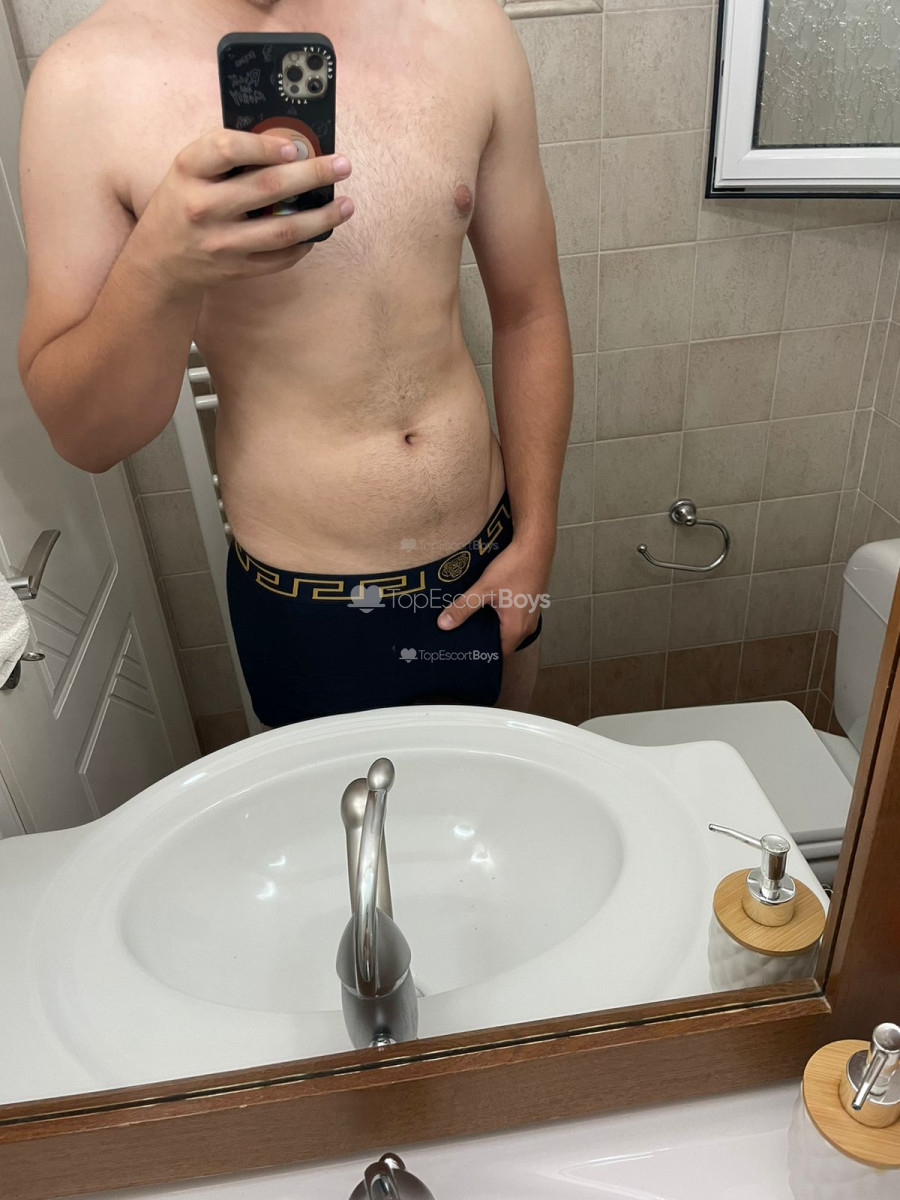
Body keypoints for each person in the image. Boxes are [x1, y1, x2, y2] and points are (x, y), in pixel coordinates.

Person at [17, 0, 573, 726]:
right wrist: (160, 263)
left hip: (493, 563)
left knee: (503, 791)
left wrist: (536, 540)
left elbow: (530, 313)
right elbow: (84, 438)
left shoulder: (464, 23)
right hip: (309, 612)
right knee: (341, 808)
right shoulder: (86, 82)